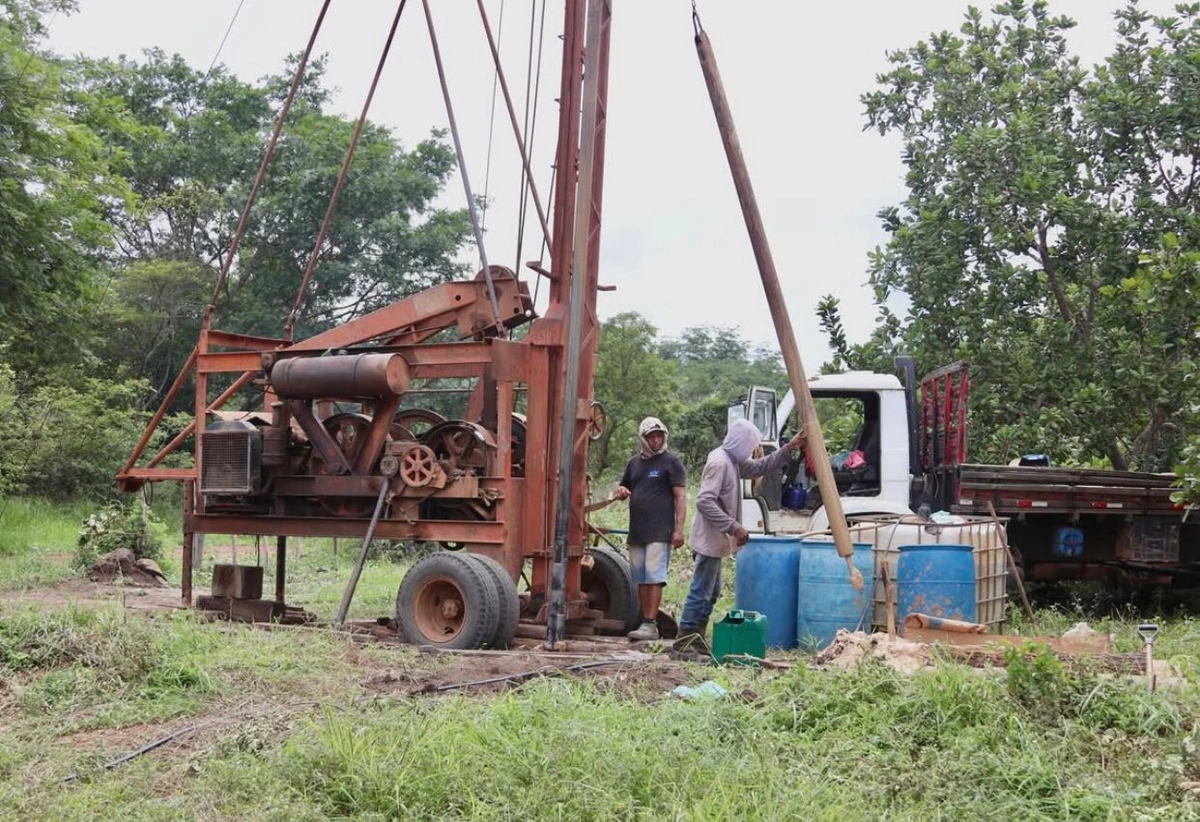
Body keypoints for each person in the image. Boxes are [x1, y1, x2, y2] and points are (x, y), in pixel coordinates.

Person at [677, 417, 805, 647]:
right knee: (701, 592)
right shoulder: (720, 462)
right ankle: (684, 641)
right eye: (750, 445)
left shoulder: (732, 460)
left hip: (716, 540)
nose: (750, 451)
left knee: (712, 592)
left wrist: (789, 448)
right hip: (710, 539)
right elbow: (705, 502)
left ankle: (695, 639)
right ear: (741, 442)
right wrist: (734, 527)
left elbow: (760, 467)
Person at [614, 416, 687, 641]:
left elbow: (681, 496)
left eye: (659, 436)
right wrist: (620, 491)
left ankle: (650, 623)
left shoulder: (670, 462)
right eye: (651, 436)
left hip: (660, 530)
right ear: (643, 439)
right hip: (637, 530)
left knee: (654, 576)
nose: (655, 440)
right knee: (640, 576)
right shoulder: (634, 463)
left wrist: (678, 529)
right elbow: (623, 487)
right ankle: (644, 621)